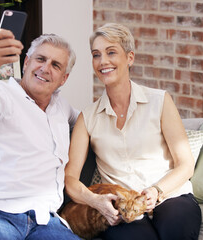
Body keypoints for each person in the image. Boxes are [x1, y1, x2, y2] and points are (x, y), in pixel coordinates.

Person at [64, 23, 202, 240]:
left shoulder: (160, 101)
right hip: (121, 208)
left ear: (130, 58)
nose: (103, 61)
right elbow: (70, 178)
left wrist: (157, 191)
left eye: (111, 52)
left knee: (175, 231)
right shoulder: (87, 117)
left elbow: (185, 165)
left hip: (170, 196)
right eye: (96, 55)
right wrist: (95, 201)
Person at [0, 28, 81, 240]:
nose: (45, 68)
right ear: (26, 62)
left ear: (63, 79)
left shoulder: (62, 108)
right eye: (40, 59)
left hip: (44, 221)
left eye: (55, 65)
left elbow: (93, 124)